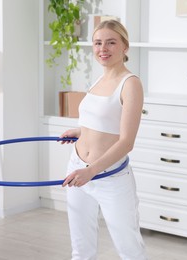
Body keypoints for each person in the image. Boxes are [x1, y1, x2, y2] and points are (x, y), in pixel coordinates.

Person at [60, 19, 147, 260]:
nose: (103, 49)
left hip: (110, 177)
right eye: (98, 43)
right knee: (81, 248)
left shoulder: (131, 84)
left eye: (111, 42)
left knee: (130, 249)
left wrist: (91, 172)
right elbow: (101, 120)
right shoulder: (98, 79)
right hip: (77, 168)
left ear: (125, 47)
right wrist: (79, 132)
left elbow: (127, 141)